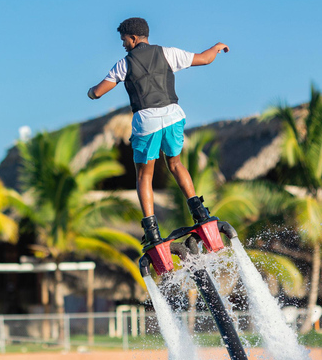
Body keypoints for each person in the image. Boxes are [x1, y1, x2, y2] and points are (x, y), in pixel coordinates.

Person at [87, 17, 229, 248]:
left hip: (146, 121)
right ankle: (200, 212)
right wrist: (216, 47)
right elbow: (204, 59)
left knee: (144, 176)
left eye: (124, 40)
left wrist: (91, 93)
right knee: (175, 164)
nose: (123, 45)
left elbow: (99, 91)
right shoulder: (168, 53)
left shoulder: (124, 64)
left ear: (133, 38)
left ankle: (152, 230)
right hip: (173, 116)